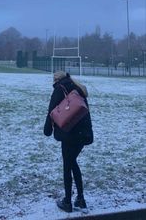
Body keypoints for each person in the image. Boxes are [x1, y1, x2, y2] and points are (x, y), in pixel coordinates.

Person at [44, 70, 93, 213]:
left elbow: (51, 112)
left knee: (67, 165)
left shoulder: (59, 90)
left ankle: (67, 201)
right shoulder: (78, 89)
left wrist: (47, 130)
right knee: (72, 162)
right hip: (83, 134)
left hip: (69, 133)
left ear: (56, 79)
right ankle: (81, 198)